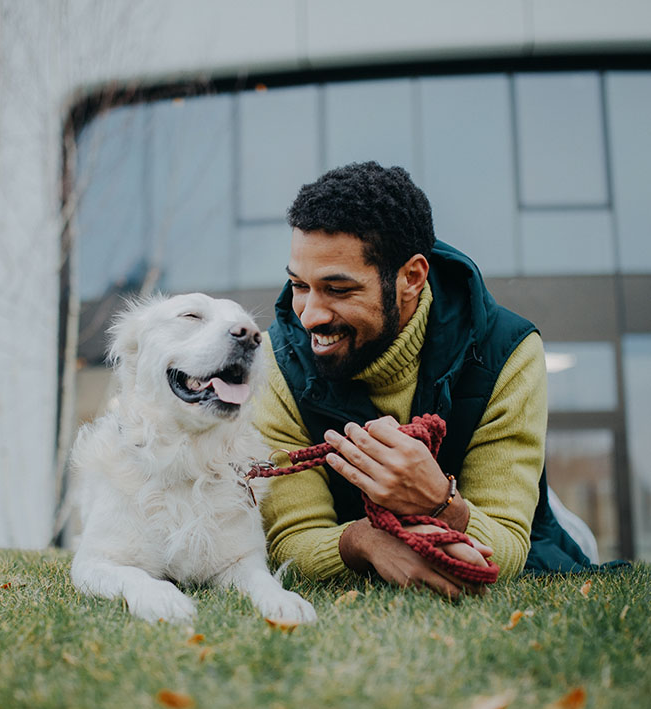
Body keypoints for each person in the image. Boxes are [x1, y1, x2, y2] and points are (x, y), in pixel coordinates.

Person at [254, 161, 593, 598]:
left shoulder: (508, 351)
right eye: (300, 285)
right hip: (364, 524)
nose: (311, 315)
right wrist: (364, 542)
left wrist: (439, 502)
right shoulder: (277, 361)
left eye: (339, 290)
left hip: (523, 520)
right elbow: (290, 538)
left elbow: (507, 542)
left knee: (565, 539)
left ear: (411, 278)